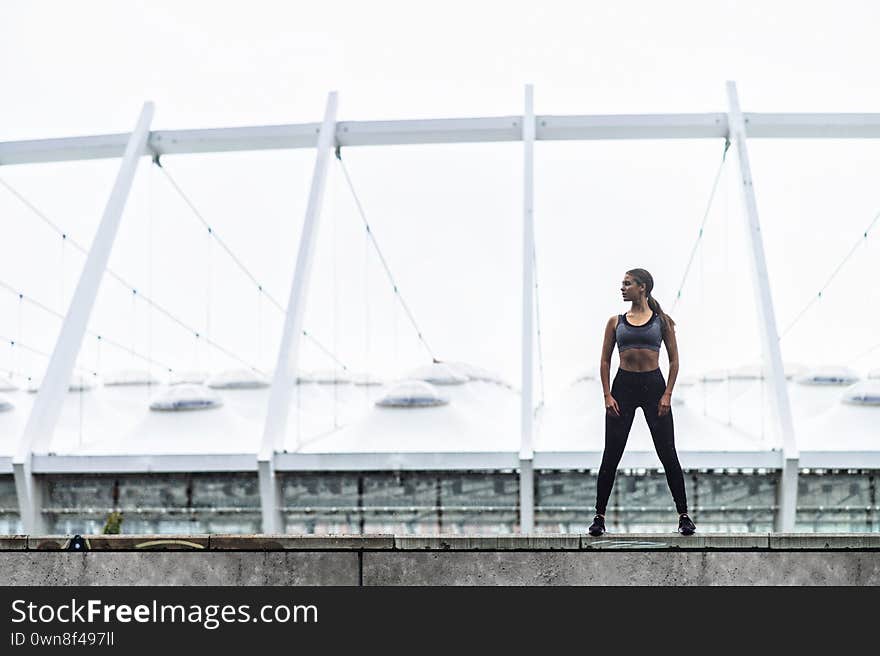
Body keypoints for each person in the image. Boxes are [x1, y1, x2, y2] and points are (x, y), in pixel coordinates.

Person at [588, 268, 696, 537]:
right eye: (622, 284)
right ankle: (599, 517)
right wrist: (607, 395)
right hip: (622, 388)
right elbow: (604, 361)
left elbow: (674, 361)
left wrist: (667, 394)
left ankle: (684, 516)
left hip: (653, 388)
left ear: (642, 288)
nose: (622, 288)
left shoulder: (662, 322)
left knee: (667, 453)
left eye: (627, 284)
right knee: (611, 455)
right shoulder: (615, 322)